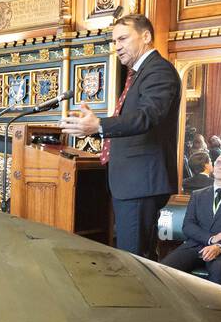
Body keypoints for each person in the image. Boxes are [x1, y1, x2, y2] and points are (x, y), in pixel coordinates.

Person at [60, 13, 181, 258]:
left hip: (140, 182)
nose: (118, 47)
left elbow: (147, 116)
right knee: (135, 258)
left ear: (146, 36)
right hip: (131, 182)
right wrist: (97, 127)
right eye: (115, 41)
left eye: (123, 39)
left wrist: (100, 126)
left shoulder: (158, 71)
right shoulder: (139, 74)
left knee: (134, 261)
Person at [160, 153, 221, 286]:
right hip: (196, 244)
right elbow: (188, 226)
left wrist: (219, 245)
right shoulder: (198, 195)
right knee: (162, 270)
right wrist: (211, 239)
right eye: (218, 162)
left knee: (219, 272)